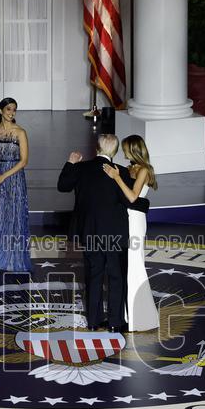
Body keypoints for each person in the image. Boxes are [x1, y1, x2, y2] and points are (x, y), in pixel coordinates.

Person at [57, 134, 132, 332]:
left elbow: (62, 186)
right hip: (114, 233)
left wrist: (70, 163)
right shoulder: (122, 171)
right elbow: (128, 201)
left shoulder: (81, 168)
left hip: (90, 232)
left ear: (96, 149)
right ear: (115, 151)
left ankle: (93, 321)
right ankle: (115, 322)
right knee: (116, 277)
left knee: (93, 275)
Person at [104, 135, 159, 332]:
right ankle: (126, 316)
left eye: (126, 148)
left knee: (135, 265)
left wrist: (117, 177)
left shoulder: (144, 170)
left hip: (135, 220)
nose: (123, 151)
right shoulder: (129, 168)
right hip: (123, 218)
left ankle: (141, 318)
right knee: (124, 268)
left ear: (134, 149)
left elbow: (133, 197)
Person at [0, 97, 31, 272]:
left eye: (14, 109)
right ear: (1, 111)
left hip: (14, 178)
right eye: (9, 109)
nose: (12, 113)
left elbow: (24, 161)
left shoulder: (20, 133)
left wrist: (4, 176)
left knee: (14, 218)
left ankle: (12, 260)